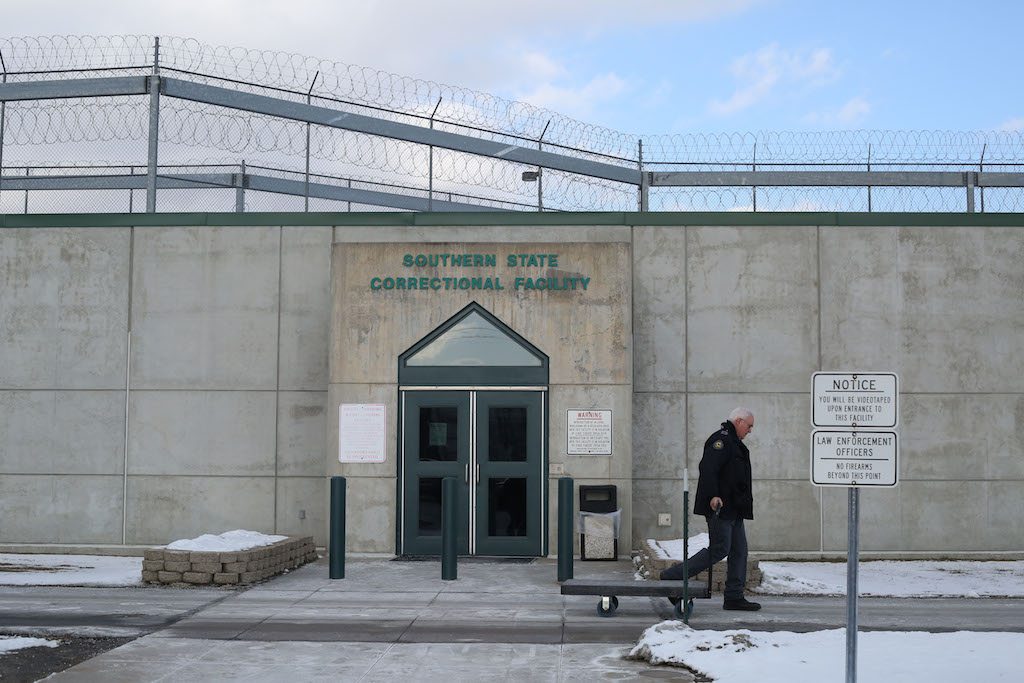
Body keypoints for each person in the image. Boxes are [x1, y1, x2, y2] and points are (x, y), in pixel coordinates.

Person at [660, 407, 761, 611]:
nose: (750, 430)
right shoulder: (721, 441)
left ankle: (733, 596)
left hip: (735, 508)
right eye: (749, 426)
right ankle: (673, 575)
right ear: (739, 421)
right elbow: (708, 468)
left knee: (739, 551)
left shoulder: (734, 442)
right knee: (720, 549)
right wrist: (714, 495)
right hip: (721, 507)